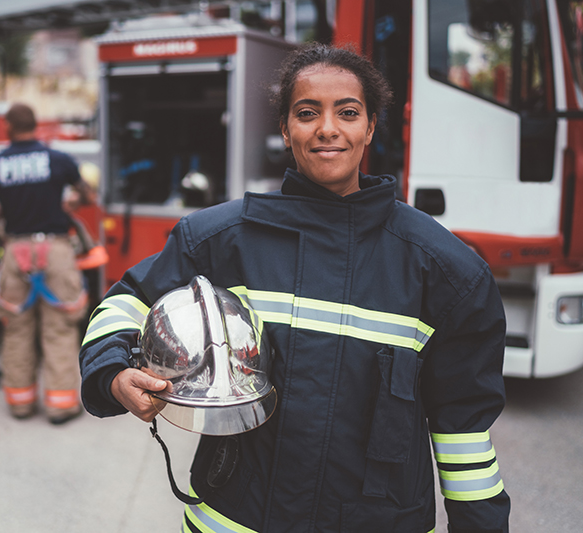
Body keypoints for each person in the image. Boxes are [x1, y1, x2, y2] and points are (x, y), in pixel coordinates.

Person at [79, 44, 510, 532]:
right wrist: (114, 372)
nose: (327, 128)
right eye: (307, 113)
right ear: (286, 130)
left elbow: (465, 435)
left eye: (348, 112)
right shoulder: (221, 240)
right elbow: (125, 303)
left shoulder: (444, 270)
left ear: (370, 127)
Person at [0, 103, 96, 423]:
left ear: (9, 129)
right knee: (59, 328)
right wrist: (69, 202)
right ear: (36, 126)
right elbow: (88, 196)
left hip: (16, 250)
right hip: (55, 248)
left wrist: (2, 211)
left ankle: (21, 403)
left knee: (17, 328)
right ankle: (60, 405)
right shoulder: (59, 160)